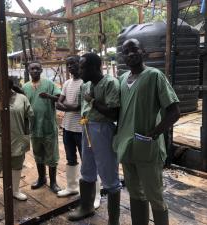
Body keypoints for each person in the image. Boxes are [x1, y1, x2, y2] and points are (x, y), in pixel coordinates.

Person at [113, 39, 180, 225]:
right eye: (125, 52)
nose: (130, 54)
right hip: (127, 147)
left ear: (144, 52)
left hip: (147, 147)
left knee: (155, 195)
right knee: (135, 193)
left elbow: (174, 112)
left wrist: (154, 133)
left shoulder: (154, 76)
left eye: (134, 49)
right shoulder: (121, 79)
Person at [68, 53, 121, 225]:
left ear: (94, 67)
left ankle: (114, 220)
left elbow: (114, 113)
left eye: (82, 67)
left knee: (109, 174)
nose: (79, 70)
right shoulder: (86, 86)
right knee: (87, 169)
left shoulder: (110, 83)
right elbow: (82, 107)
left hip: (103, 129)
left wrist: (92, 101)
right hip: (86, 127)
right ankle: (86, 207)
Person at [0, 76, 34, 203]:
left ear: (9, 87)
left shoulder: (22, 99)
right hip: (0, 138)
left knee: (17, 164)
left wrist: (26, 133)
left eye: (1, 89)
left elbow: (27, 117)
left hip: (18, 137)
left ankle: (15, 191)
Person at [56, 55, 101, 209]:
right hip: (67, 127)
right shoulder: (67, 83)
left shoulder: (86, 83)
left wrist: (65, 105)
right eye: (68, 65)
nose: (70, 67)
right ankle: (71, 187)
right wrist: (66, 105)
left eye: (74, 64)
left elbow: (77, 107)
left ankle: (96, 194)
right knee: (70, 158)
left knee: (89, 162)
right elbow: (59, 103)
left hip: (82, 129)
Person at [22, 61, 61, 193]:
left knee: (52, 155)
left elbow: (59, 98)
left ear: (41, 70)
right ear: (28, 70)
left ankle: (54, 182)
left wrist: (48, 96)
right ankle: (41, 178)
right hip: (34, 127)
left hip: (48, 126)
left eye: (37, 69)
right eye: (32, 69)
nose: (35, 71)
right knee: (38, 154)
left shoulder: (49, 84)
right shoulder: (25, 87)